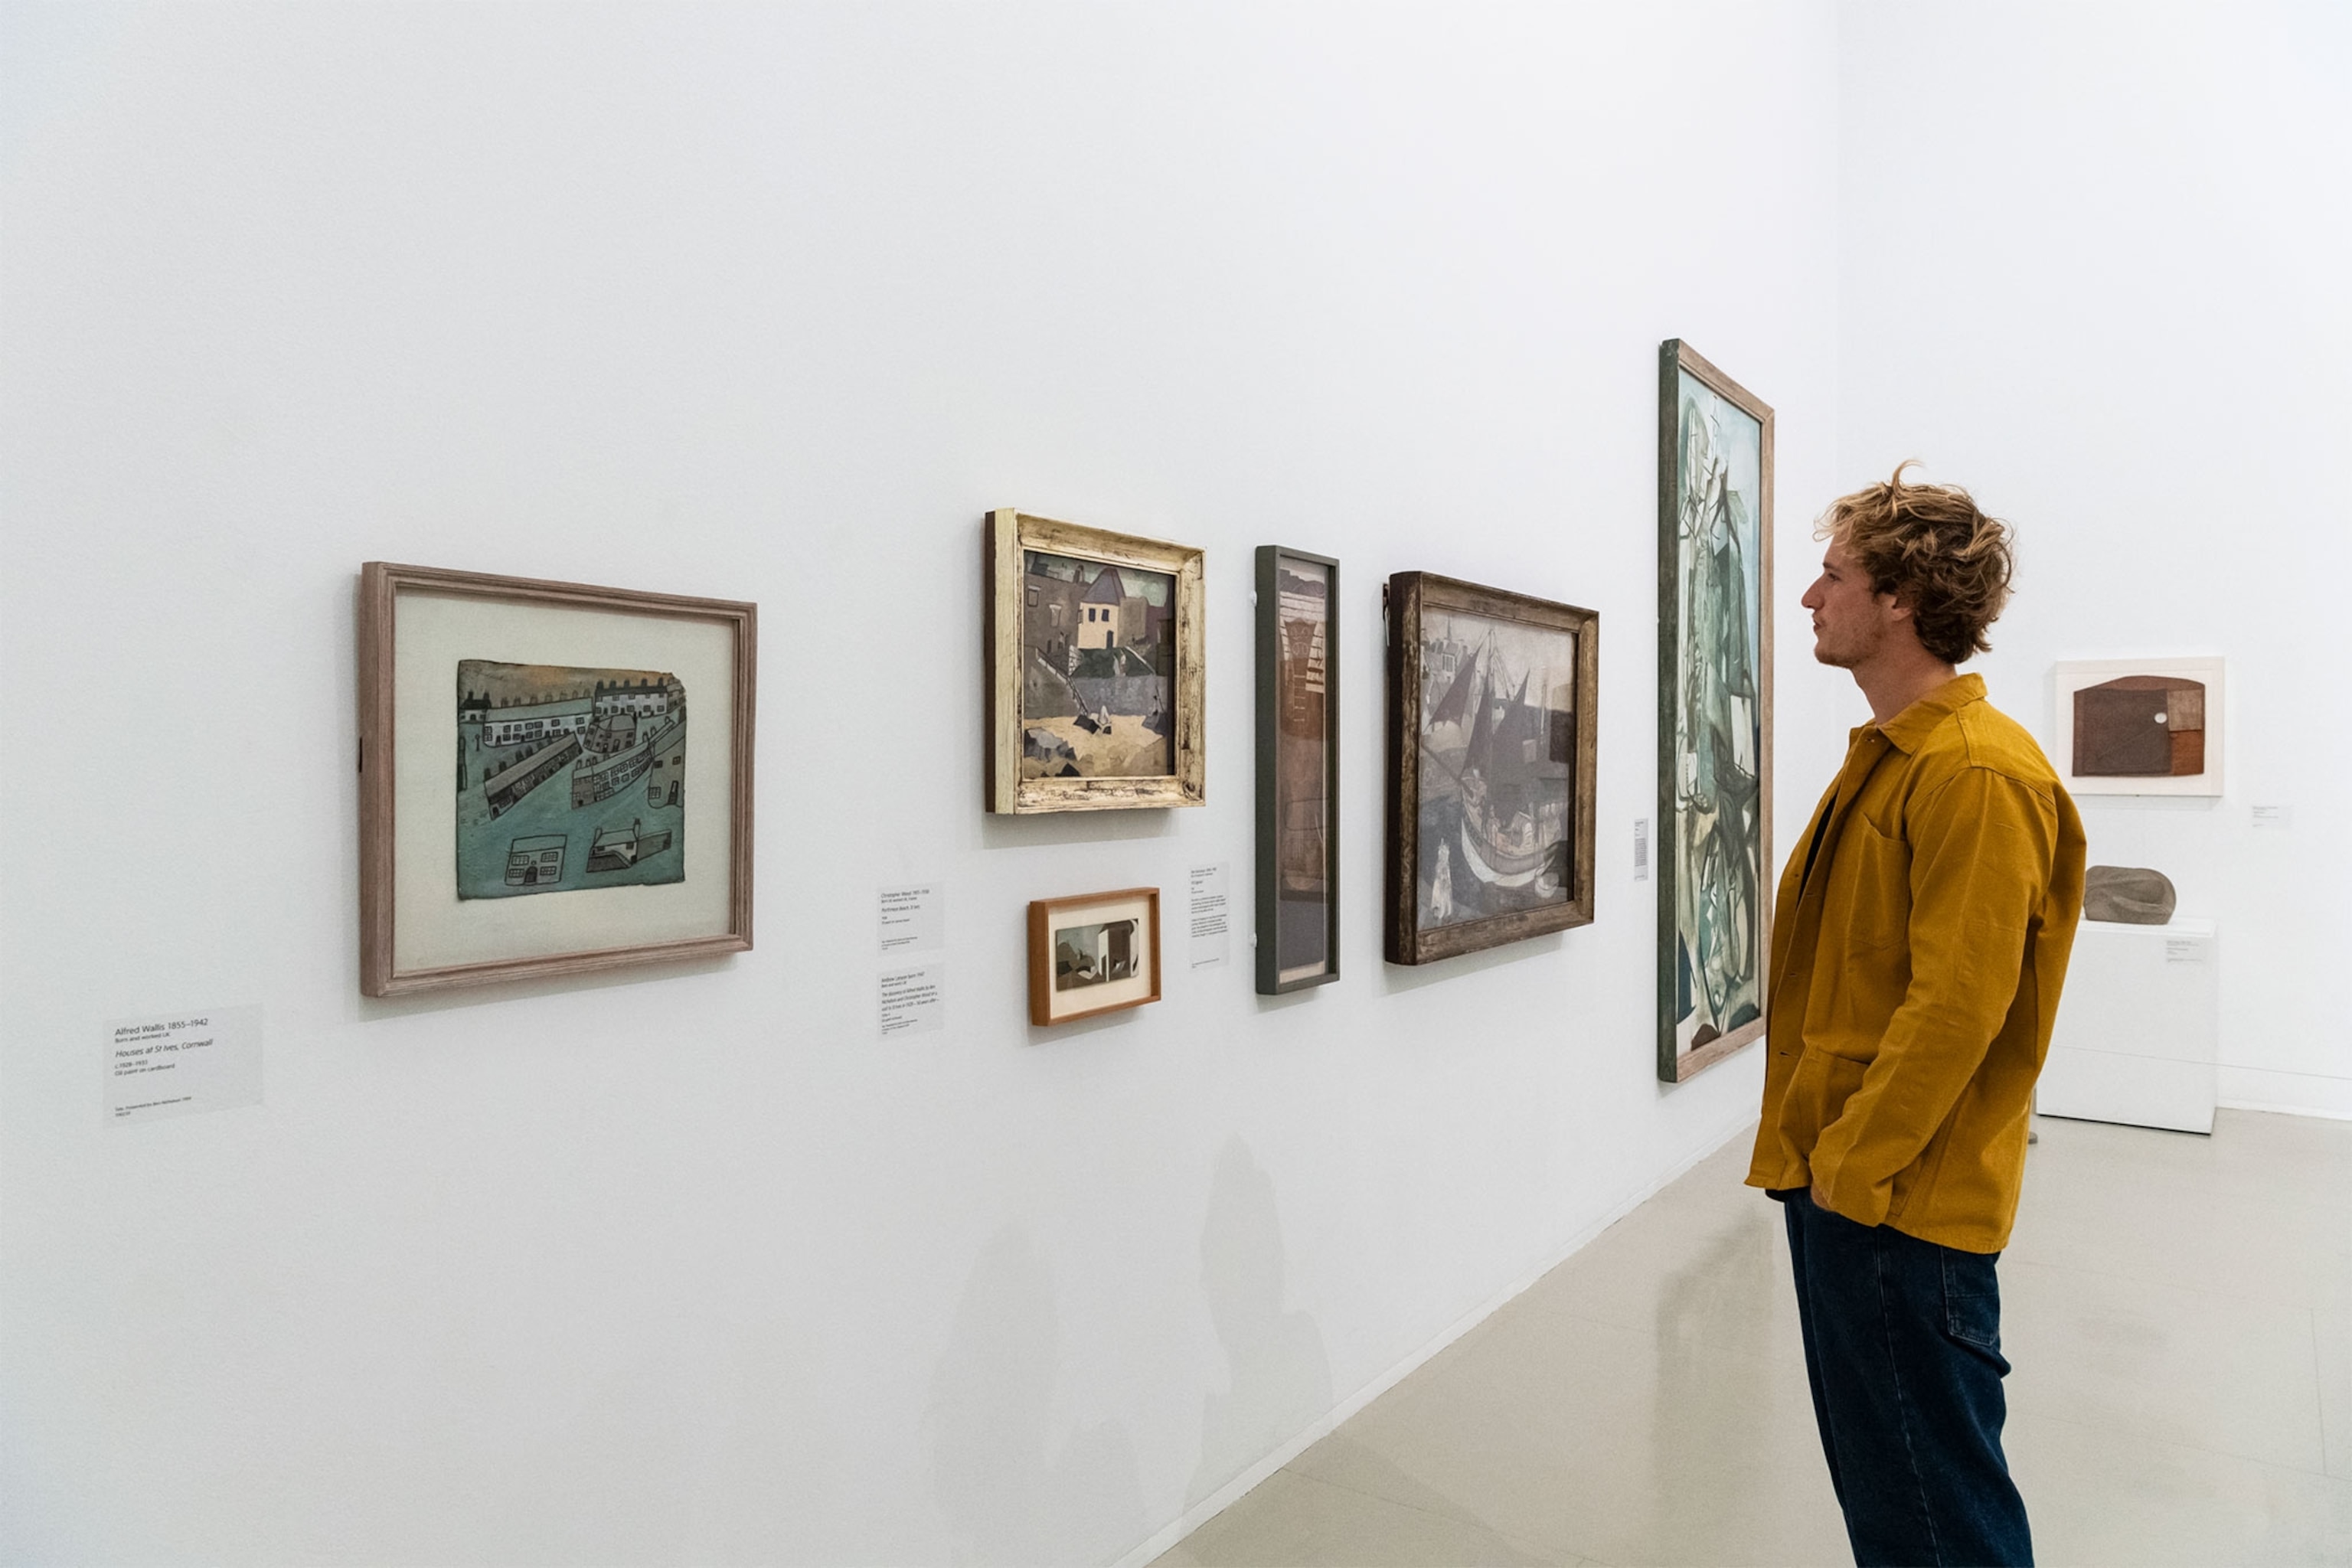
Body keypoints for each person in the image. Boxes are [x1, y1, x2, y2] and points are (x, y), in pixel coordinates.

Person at [1749, 463, 2085, 1568]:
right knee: (1895, 1495)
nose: (1810, 598)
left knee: (1934, 1511)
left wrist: (1854, 1167)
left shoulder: (1976, 775)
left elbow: (1958, 1011)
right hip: (1853, 1182)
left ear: (1899, 598)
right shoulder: (1901, 759)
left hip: (1897, 1200)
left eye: (1831, 575)